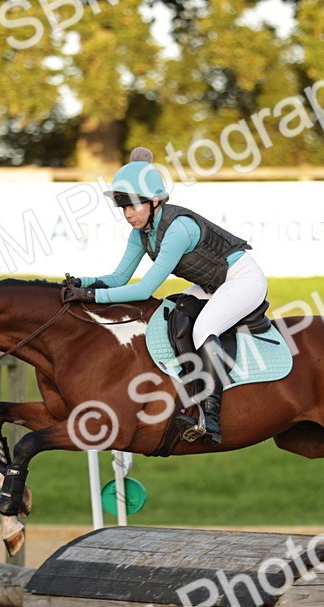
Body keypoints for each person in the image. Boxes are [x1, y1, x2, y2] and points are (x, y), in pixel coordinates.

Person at [61, 147, 268, 446]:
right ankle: (189, 391)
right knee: (175, 315)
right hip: (213, 285)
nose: (128, 214)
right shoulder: (141, 233)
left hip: (243, 280)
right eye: (123, 207)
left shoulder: (179, 229)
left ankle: (210, 418)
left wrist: (92, 297)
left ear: (155, 200)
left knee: (203, 328)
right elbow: (119, 277)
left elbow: (145, 290)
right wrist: (85, 282)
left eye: (133, 205)